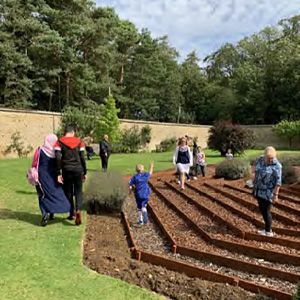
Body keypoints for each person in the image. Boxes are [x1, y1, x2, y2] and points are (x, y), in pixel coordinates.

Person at [33, 134, 71, 226]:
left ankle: (44, 214)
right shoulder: (56, 151)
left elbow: (35, 162)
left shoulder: (40, 150)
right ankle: (53, 213)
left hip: (42, 175)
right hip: (54, 175)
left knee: (42, 194)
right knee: (55, 193)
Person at [55, 125, 87, 225]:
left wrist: (58, 172)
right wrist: (84, 171)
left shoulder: (59, 142)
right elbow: (82, 157)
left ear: (65, 132)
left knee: (68, 192)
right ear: (73, 132)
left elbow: (57, 157)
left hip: (66, 170)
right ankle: (78, 209)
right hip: (78, 169)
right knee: (78, 191)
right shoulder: (79, 141)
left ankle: (71, 213)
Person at [253, 146, 282, 237]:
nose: (270, 160)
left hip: (268, 192)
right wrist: (252, 180)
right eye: (268, 158)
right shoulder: (261, 159)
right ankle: (266, 229)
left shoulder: (277, 166)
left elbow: (278, 182)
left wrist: (275, 195)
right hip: (258, 190)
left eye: (272, 158)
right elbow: (256, 170)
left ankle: (268, 232)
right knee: (262, 210)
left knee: (266, 211)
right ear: (264, 155)